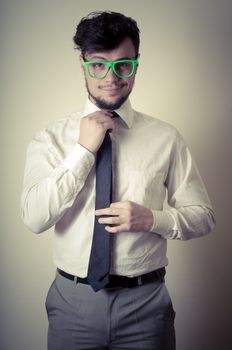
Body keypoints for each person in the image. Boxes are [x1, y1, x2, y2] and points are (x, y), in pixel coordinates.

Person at [21, 11, 215, 350]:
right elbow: (35, 218)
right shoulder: (50, 138)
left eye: (123, 64)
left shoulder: (166, 138)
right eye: (98, 65)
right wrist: (83, 151)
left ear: (136, 65)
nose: (111, 77)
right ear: (83, 65)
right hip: (72, 305)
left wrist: (153, 219)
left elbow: (203, 216)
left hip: (146, 305)